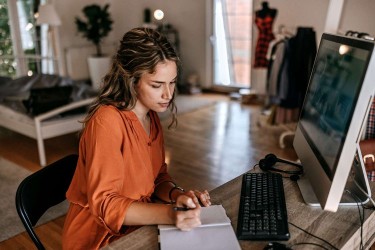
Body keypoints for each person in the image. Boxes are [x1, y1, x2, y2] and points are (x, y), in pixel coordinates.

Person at [62, 27, 211, 249]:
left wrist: (177, 196)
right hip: (98, 238)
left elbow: (158, 177)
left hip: (138, 224)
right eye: (157, 85)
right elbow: (105, 204)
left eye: (172, 82)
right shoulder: (106, 122)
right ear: (132, 81)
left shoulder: (151, 117)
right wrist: (170, 215)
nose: (168, 95)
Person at [254, 1, 278, 68]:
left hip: (269, 39)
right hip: (261, 41)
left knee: (271, 62)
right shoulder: (257, 13)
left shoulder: (273, 11)